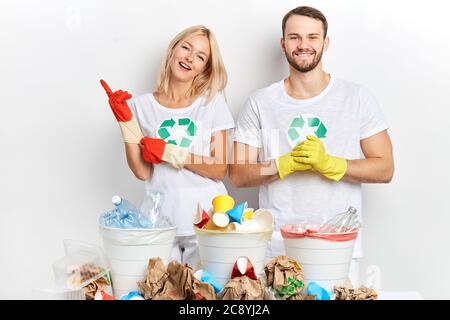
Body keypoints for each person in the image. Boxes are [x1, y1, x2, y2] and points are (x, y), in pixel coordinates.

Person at [230, 6, 394, 286]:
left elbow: (385, 168)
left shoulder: (356, 97)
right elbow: (238, 174)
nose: (303, 45)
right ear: (283, 43)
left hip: (338, 246)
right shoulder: (260, 102)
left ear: (325, 42)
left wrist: (332, 164)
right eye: (294, 37)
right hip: (279, 249)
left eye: (312, 37)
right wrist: (283, 164)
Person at [101, 25, 234, 269]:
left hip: (206, 221)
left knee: (205, 295)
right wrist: (126, 123)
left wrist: (170, 152)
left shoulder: (212, 104)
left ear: (205, 68)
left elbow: (219, 169)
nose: (189, 58)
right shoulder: (141, 106)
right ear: (173, 49)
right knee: (161, 291)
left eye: (200, 56)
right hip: (160, 222)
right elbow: (142, 172)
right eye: (186, 47)